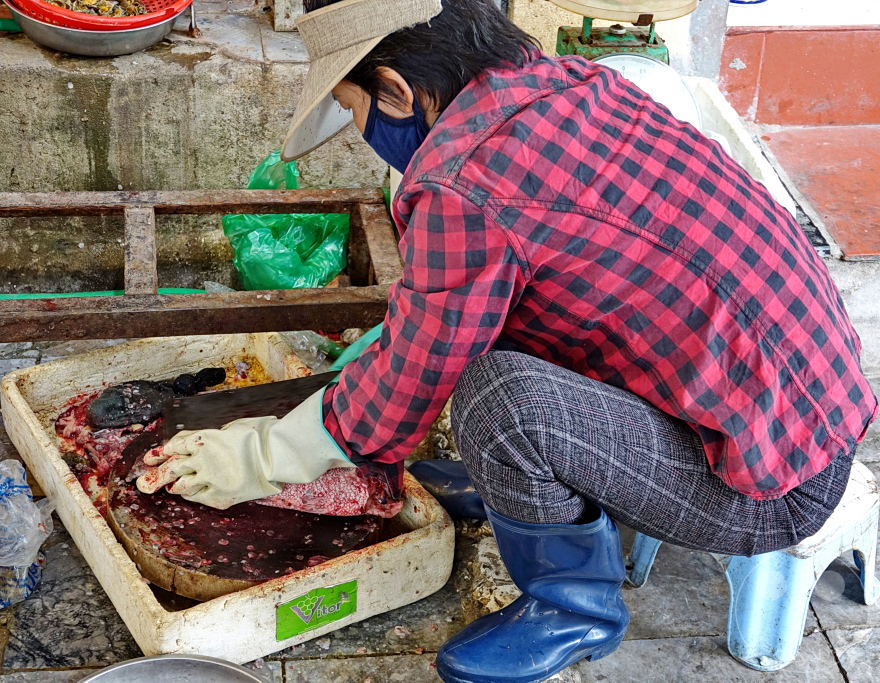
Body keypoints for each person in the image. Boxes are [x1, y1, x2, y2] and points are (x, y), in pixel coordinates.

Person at [139, 0, 878, 680]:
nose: (363, 133)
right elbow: (488, 302)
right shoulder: (565, 86)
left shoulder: (465, 183)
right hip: (804, 411)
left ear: (397, 93)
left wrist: (264, 454)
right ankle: (527, 488)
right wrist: (394, 341)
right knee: (479, 366)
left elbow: (405, 390)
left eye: (353, 108)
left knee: (500, 399)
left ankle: (575, 608)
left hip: (773, 486)